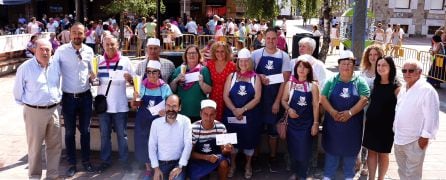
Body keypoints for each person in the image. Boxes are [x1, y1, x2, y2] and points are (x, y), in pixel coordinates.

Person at [13, 39, 62, 180]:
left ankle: (53, 175)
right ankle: (34, 176)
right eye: (42, 49)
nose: (45, 52)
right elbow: (18, 92)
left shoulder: (55, 65)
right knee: (35, 147)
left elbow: (59, 84)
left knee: (54, 145)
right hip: (34, 111)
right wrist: (31, 105)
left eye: (48, 49)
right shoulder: (25, 68)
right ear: (35, 50)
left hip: (53, 110)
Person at [53, 22, 95, 177]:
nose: (77, 36)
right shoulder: (61, 51)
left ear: (85, 34)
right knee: (70, 132)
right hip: (68, 97)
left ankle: (86, 161)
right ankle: (72, 164)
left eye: (80, 33)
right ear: (69, 34)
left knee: (85, 131)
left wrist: (93, 76)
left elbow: (92, 71)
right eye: (74, 33)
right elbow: (54, 73)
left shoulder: (89, 50)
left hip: (85, 97)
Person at [320, 50, 370, 180]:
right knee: (331, 152)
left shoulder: (360, 82)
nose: (346, 66)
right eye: (343, 63)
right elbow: (323, 97)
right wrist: (332, 111)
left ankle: (349, 176)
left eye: (349, 63)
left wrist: (350, 113)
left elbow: (364, 98)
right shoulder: (331, 80)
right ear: (339, 65)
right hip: (333, 124)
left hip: (352, 126)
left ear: (353, 65)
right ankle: (328, 176)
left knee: (350, 153)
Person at [251, 28, 291, 171]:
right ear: (264, 39)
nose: (271, 41)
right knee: (257, 129)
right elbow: (249, 72)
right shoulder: (255, 54)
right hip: (257, 99)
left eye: (273, 38)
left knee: (273, 131)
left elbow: (284, 81)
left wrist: (277, 102)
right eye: (268, 38)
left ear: (277, 39)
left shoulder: (284, 56)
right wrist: (258, 76)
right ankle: (255, 158)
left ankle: (272, 158)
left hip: (274, 99)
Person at [393, 59, 439, 180]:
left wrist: (424, 138)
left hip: (414, 141)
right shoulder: (404, 88)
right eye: (404, 70)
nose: (407, 73)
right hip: (399, 139)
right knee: (402, 172)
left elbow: (432, 117)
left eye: (411, 70)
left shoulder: (427, 90)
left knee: (412, 175)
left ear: (419, 72)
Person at [95, 35, 134, 172]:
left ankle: (124, 161)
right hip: (103, 107)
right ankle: (105, 161)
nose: (110, 47)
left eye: (112, 44)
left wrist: (130, 79)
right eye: (107, 44)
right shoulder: (98, 61)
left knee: (122, 136)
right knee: (104, 136)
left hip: (120, 105)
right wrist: (92, 78)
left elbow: (134, 82)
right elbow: (93, 80)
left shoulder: (126, 61)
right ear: (103, 45)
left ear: (118, 45)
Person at [222, 48, 261, 179]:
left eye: (246, 61)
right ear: (238, 62)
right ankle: (232, 164)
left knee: (249, 141)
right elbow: (225, 96)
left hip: (250, 116)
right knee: (232, 141)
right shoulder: (231, 76)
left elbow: (257, 98)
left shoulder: (255, 78)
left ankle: (248, 165)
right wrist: (234, 110)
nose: (243, 63)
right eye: (241, 61)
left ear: (250, 62)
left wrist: (242, 109)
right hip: (231, 114)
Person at [132, 60, 172, 179]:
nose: (151, 75)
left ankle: (158, 168)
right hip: (143, 120)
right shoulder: (141, 86)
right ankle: (148, 169)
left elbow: (171, 104)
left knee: (158, 144)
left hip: (159, 121)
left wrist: (165, 110)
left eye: (154, 72)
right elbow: (134, 107)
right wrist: (135, 100)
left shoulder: (165, 87)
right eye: (148, 72)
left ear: (159, 73)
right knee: (143, 144)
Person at [362, 56, 400, 180]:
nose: (380, 68)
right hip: (372, 124)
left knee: (383, 154)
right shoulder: (375, 83)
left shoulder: (396, 87)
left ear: (391, 67)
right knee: (371, 152)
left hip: (387, 126)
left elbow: (401, 106)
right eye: (379, 65)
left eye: (384, 65)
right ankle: (371, 178)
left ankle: (381, 178)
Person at [281, 59, 320, 180]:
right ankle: (294, 172)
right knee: (292, 150)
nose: (302, 69)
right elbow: (283, 100)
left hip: (306, 124)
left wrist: (315, 123)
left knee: (304, 152)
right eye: (299, 67)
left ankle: (302, 174)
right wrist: (289, 110)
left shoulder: (313, 86)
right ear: (296, 69)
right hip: (292, 124)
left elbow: (315, 105)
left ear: (309, 70)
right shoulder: (290, 84)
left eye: (305, 67)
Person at [149, 94, 192, 180]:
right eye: (168, 105)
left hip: (178, 163)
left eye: (174, 106)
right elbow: (152, 146)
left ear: (179, 108)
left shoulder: (185, 121)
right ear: (165, 106)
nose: (171, 109)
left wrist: (180, 167)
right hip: (161, 164)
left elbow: (188, 144)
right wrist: (156, 169)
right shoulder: (156, 123)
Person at [188, 99, 233, 180]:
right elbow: (189, 153)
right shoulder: (193, 128)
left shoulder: (221, 127)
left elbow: (223, 151)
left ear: (215, 114)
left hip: (216, 157)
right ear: (200, 114)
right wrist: (206, 157)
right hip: (199, 158)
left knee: (224, 163)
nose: (208, 118)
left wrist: (227, 149)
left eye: (212, 115)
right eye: (205, 114)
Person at [170, 45, 213, 122]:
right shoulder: (179, 69)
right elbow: (172, 89)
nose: (191, 55)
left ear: (198, 55)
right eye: (189, 53)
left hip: (198, 112)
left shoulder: (203, 70)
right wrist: (176, 79)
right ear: (185, 56)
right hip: (182, 111)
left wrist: (202, 83)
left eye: (194, 53)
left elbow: (208, 91)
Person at [207, 41, 237, 121]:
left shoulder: (232, 66)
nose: (219, 53)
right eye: (217, 51)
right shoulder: (210, 64)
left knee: (227, 120)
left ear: (226, 52)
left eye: (222, 51)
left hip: (228, 98)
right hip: (213, 96)